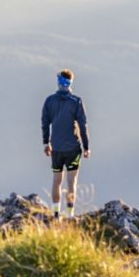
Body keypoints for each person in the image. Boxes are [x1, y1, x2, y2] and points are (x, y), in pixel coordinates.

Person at [41, 69, 90, 218]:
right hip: (73, 148)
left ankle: (56, 214)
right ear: (70, 83)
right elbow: (83, 125)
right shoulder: (76, 101)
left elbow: (45, 123)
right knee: (71, 182)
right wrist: (86, 147)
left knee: (57, 180)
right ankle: (70, 215)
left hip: (56, 147)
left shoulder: (50, 101)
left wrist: (46, 143)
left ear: (58, 82)